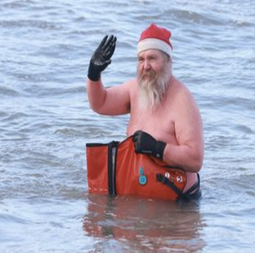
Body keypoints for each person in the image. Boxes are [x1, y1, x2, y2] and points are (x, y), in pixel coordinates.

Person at [86, 23, 204, 197]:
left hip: (178, 203)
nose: (146, 66)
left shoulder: (183, 100)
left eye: (152, 58)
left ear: (168, 61)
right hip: (142, 194)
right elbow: (100, 103)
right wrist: (94, 74)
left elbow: (195, 159)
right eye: (141, 59)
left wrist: (158, 148)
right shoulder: (134, 90)